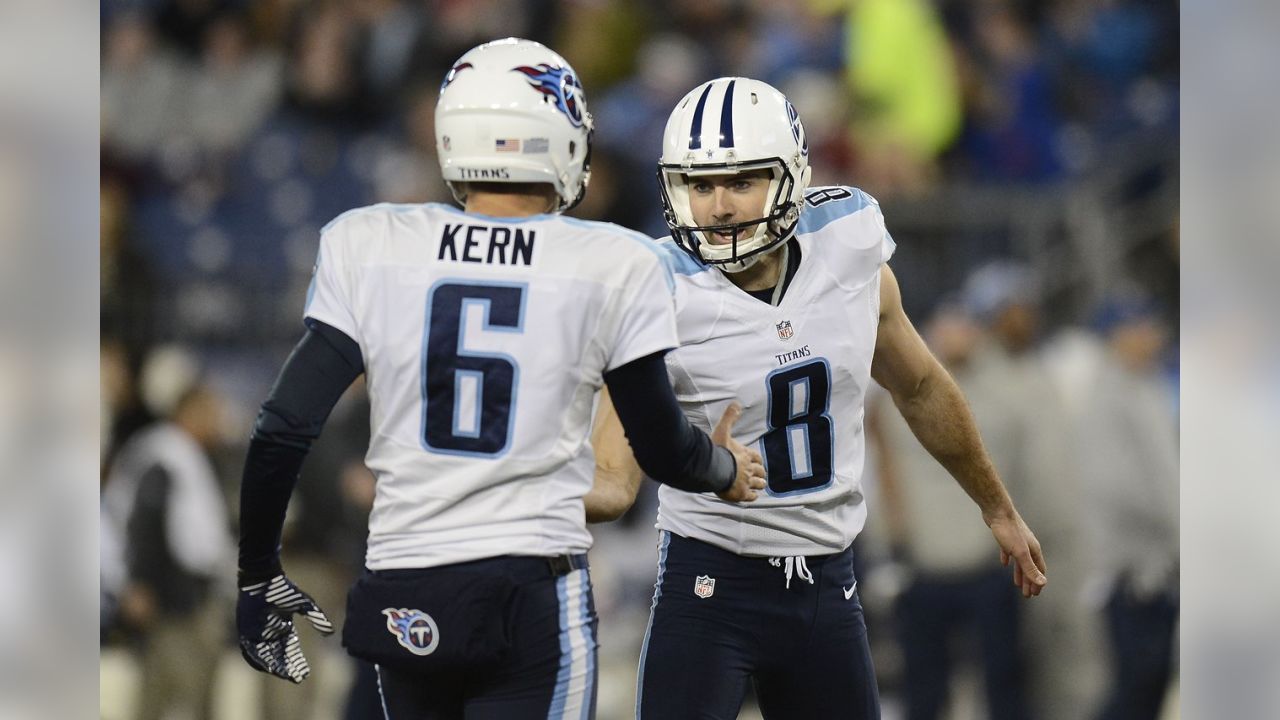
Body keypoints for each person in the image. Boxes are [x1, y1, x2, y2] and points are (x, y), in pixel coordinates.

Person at [234, 39, 765, 720]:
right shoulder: (611, 260)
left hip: (405, 587)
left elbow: (283, 426)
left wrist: (255, 572)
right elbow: (661, 446)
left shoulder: (372, 243)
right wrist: (725, 469)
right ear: (566, 139)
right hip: (529, 589)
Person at [587, 77, 1048, 720]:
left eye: (740, 181)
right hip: (710, 581)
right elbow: (611, 480)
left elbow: (918, 385)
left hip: (828, 581)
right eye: (699, 185)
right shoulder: (656, 288)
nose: (717, 207)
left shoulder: (847, 244)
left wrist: (995, 505)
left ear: (792, 180)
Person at [101, 383, 234, 720]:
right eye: (210, 412)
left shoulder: (186, 452)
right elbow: (143, 524)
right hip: (170, 596)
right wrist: (138, 583)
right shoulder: (163, 453)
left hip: (188, 592)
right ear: (188, 411)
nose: (217, 421)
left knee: (184, 695)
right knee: (174, 698)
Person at [1080, 293, 1178, 720]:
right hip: (1130, 569)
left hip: (1159, 565)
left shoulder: (1147, 385)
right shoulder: (1107, 393)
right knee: (1134, 686)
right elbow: (1118, 487)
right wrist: (1181, 523)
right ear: (1117, 336)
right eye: (1140, 328)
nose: (1151, 336)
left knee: (1152, 684)